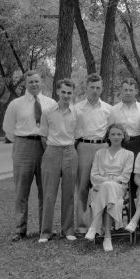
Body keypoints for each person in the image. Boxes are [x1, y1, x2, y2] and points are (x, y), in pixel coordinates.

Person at [3, 69, 57, 241]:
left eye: (37, 81)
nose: (34, 84)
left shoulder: (51, 103)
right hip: (23, 145)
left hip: (45, 146)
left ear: (42, 82)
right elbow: (8, 129)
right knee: (21, 190)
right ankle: (20, 229)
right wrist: (23, 140)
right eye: (30, 82)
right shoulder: (15, 104)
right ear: (25, 84)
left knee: (46, 190)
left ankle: (45, 229)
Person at [38, 79, 78, 243]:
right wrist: (52, 150)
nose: (66, 95)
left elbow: (77, 134)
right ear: (57, 92)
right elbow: (43, 136)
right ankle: (45, 232)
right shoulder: (47, 111)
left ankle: (67, 230)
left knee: (68, 193)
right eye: (64, 92)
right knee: (49, 194)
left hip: (70, 151)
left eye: (69, 93)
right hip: (52, 151)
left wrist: (68, 149)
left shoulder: (76, 112)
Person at [84, 123, 134, 251]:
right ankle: (107, 238)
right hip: (100, 188)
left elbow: (125, 177)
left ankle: (94, 226)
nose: (116, 137)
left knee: (109, 187)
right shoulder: (100, 153)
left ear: (123, 136)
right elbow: (94, 175)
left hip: (119, 188)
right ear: (108, 136)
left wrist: (108, 181)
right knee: (108, 196)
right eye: (113, 134)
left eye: (119, 134)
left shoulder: (129, 154)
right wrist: (107, 181)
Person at [75, 73, 112, 235]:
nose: (95, 91)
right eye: (92, 87)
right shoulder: (77, 108)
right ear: (86, 88)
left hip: (102, 147)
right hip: (84, 146)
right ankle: (83, 225)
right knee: (82, 187)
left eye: (98, 88)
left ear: (102, 89)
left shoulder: (108, 109)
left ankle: (101, 225)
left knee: (101, 186)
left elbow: (111, 131)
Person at [108, 78, 140, 212]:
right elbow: (110, 130)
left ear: (135, 91)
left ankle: (136, 214)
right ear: (121, 91)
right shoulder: (114, 110)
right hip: (120, 146)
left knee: (136, 179)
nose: (128, 93)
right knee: (121, 179)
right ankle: (117, 212)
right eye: (125, 90)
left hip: (137, 146)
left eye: (131, 90)